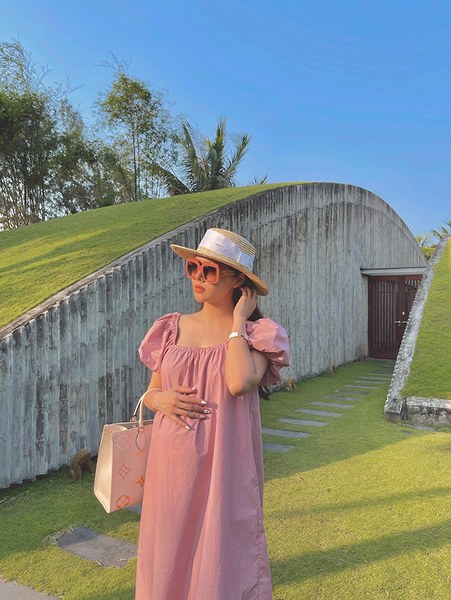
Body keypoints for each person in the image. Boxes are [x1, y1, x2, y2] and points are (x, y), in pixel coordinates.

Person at [135, 228, 290, 600]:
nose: (198, 277)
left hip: (225, 467)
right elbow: (152, 392)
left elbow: (238, 382)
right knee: (168, 553)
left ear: (238, 281)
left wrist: (237, 324)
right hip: (171, 466)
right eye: (193, 267)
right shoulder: (170, 328)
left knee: (222, 556)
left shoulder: (258, 335)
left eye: (210, 271)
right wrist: (160, 400)